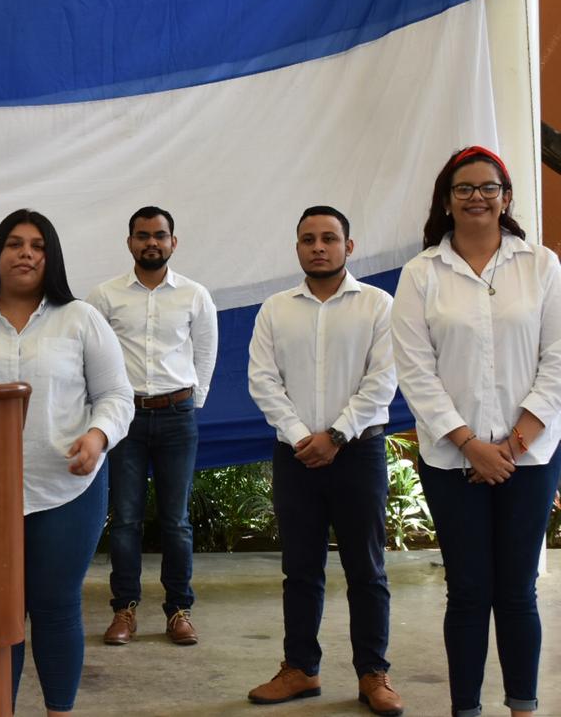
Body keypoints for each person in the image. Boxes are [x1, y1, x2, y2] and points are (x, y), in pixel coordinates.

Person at [0, 209, 133, 716]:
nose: (26, 253)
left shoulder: (81, 319)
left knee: (56, 608)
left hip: (66, 488)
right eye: (14, 244)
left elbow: (117, 396)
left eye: (37, 245)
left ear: (50, 256)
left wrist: (98, 437)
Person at [392, 146, 561, 717]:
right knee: (467, 592)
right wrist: (470, 445)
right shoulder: (421, 274)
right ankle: (465, 708)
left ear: (506, 197)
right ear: (447, 200)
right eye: (464, 188)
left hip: (529, 458)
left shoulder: (541, 265)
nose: (477, 197)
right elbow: (415, 371)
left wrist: (510, 448)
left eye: (489, 187)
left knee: (517, 593)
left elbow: (558, 361)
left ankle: (522, 708)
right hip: (451, 459)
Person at [246, 206, 402, 715]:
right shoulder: (274, 309)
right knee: (301, 569)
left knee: (367, 569)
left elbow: (382, 381)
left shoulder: (378, 305)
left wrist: (335, 435)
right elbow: (262, 381)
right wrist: (299, 437)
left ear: (348, 247)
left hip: (359, 453)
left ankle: (373, 674)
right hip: (296, 459)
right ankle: (301, 669)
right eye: (309, 239)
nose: (319, 246)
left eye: (329, 238)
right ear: (297, 248)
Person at [86, 206, 217, 646]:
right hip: (124, 420)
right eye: (142, 235)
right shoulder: (103, 297)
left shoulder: (195, 295)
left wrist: (190, 404)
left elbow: (205, 354)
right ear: (130, 243)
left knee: (176, 521)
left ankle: (178, 610)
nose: (151, 243)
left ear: (173, 242)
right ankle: (125, 610)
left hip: (179, 419)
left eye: (160, 235)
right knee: (124, 520)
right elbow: (90, 359)